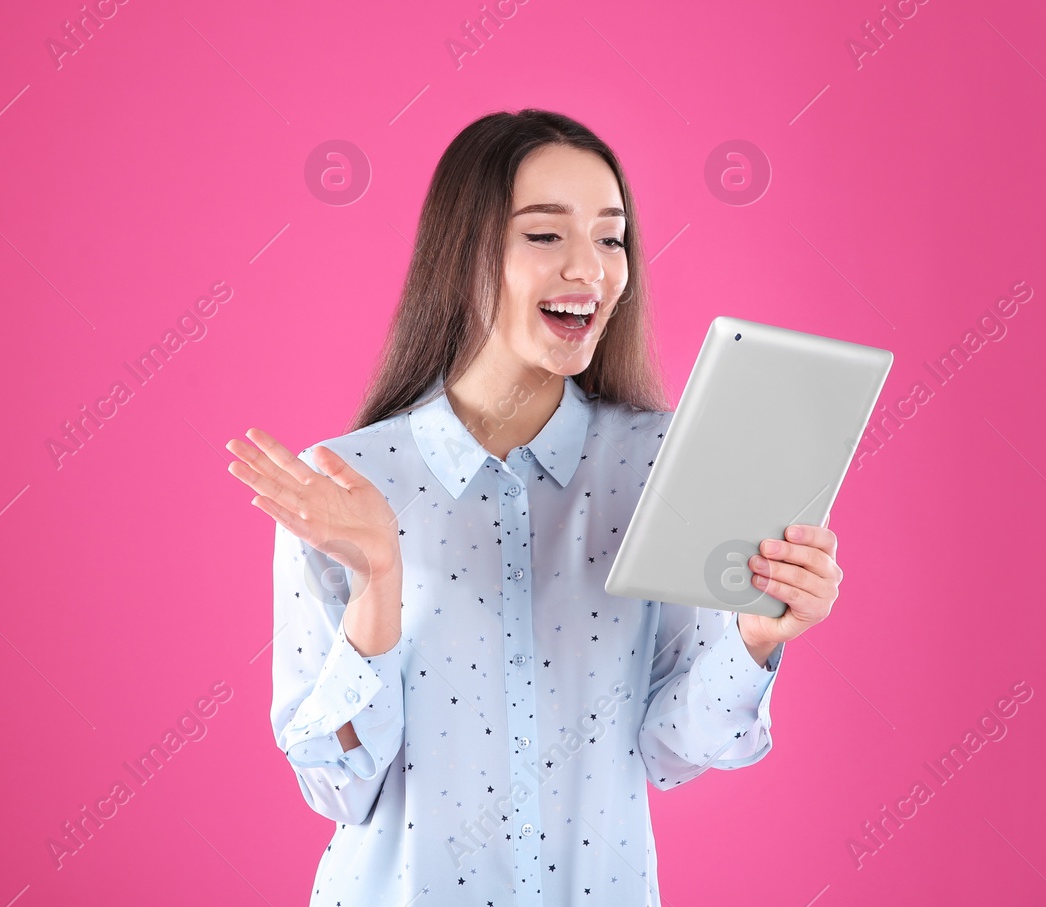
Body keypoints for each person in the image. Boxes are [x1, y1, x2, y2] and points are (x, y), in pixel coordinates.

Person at [225, 108, 843, 906]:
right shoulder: (344, 483)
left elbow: (674, 748)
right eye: (545, 235)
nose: (589, 267)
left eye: (611, 237)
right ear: (466, 254)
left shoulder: (660, 463)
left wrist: (755, 634)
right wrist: (380, 577)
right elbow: (338, 788)